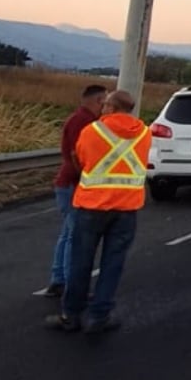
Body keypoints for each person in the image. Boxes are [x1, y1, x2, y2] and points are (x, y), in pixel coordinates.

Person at [45, 89, 151, 334]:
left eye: (106, 106)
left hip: (92, 205)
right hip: (126, 208)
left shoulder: (92, 131)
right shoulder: (145, 133)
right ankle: (99, 316)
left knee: (81, 262)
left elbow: (81, 159)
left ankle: (71, 315)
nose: (102, 109)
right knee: (113, 264)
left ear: (112, 108)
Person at [42, 83, 106, 297]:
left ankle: (59, 279)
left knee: (68, 234)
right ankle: (71, 285)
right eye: (104, 103)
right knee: (75, 236)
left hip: (67, 183)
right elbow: (76, 155)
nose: (105, 108)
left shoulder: (79, 119)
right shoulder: (84, 122)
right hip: (74, 184)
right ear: (98, 101)